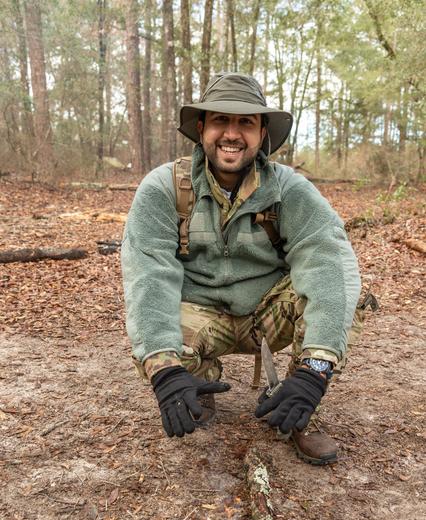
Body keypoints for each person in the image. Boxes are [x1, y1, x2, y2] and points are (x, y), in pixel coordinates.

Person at [121, 72, 366, 465]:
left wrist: (315, 373)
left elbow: (328, 264)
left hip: (268, 314)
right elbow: (148, 277)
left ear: (262, 133)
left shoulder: (290, 190)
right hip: (200, 314)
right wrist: (165, 373)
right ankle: (196, 385)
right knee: (154, 332)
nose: (232, 134)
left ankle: (300, 403)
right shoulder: (162, 188)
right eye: (221, 120)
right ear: (201, 128)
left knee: (342, 293)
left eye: (246, 123)